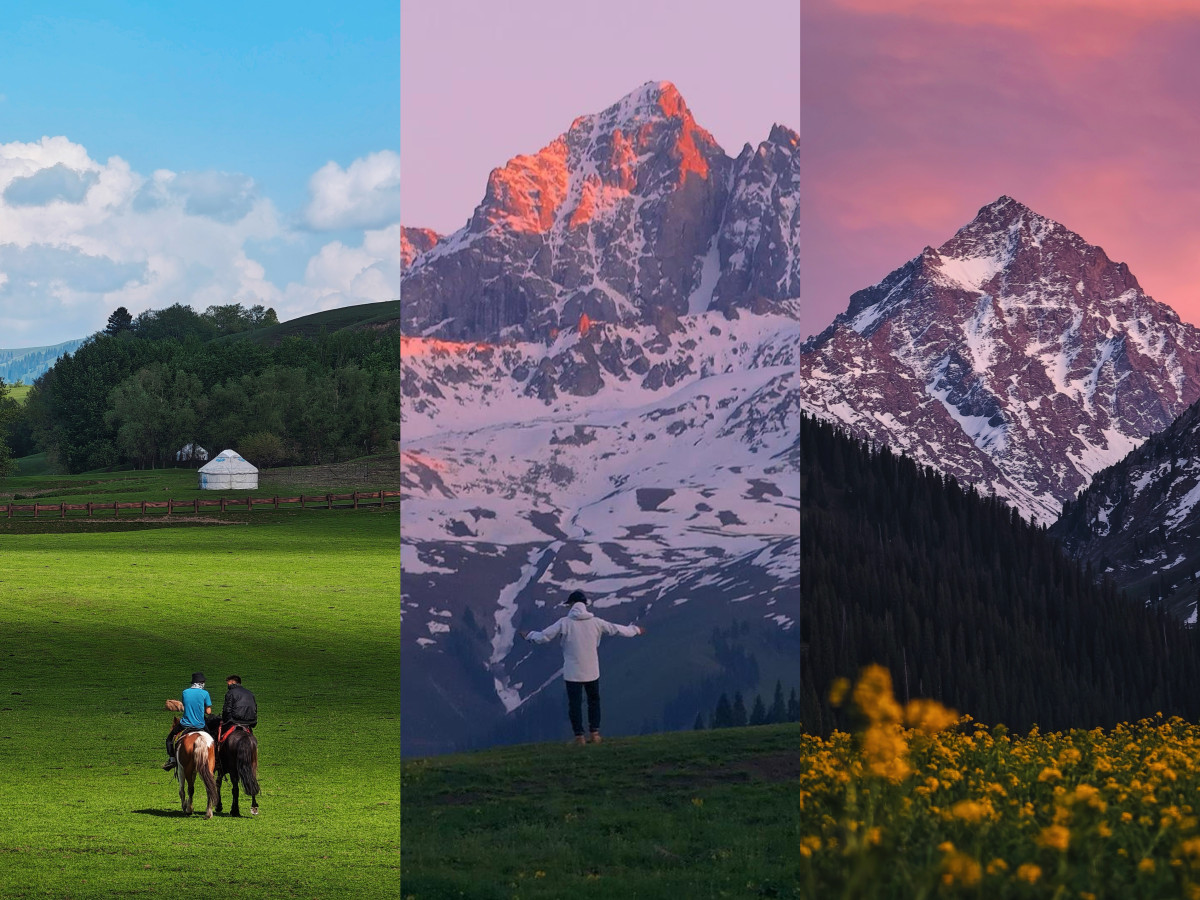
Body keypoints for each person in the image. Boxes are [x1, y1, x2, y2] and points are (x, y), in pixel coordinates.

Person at [519, 590, 644, 745]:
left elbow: (544, 636)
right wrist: (635, 630)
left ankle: (579, 737)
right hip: (592, 670)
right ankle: (595, 734)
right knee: (594, 701)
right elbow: (616, 629)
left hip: (572, 671)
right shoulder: (596, 622)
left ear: (571, 605)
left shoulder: (564, 622)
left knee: (575, 704)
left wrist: (529, 635)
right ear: (585, 605)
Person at [162, 671, 212, 770]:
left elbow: (187, 705)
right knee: (212, 739)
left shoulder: (185, 692)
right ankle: (216, 760)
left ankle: (172, 759)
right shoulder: (205, 693)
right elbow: (209, 712)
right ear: (202, 683)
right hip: (200, 725)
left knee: (169, 739)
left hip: (185, 724)